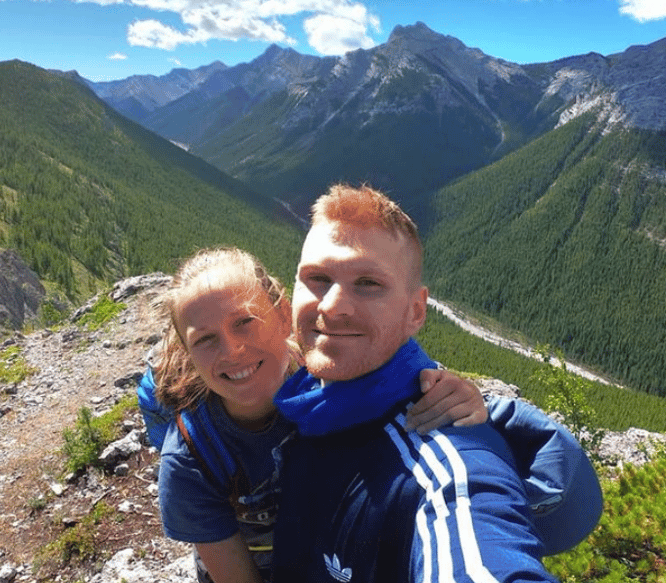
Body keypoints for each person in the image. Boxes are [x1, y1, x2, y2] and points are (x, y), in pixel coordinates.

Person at [272, 184, 594, 582]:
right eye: (317, 278)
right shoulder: (298, 394)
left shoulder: (445, 461)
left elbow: (476, 549)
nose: (333, 305)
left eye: (368, 283)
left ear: (416, 311)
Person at [152, 247, 492, 583]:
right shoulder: (191, 460)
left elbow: (403, 388)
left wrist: (461, 399)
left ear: (284, 315)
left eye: (244, 322)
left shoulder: (332, 374)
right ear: (188, 353)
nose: (231, 350)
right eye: (206, 340)